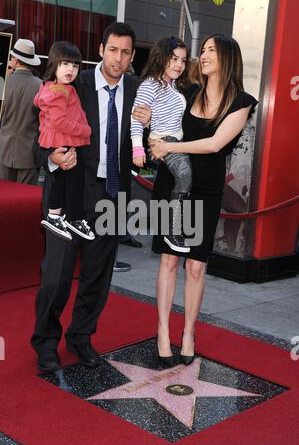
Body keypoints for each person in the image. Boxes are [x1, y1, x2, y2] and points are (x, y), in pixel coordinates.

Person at [31, 22, 151, 372]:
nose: (118, 58)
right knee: (57, 274)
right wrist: (51, 158)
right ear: (101, 50)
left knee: (98, 275)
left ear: (132, 56)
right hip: (69, 193)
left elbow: (143, 141)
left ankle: (81, 336)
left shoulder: (137, 89)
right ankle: (46, 342)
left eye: (126, 52)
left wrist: (150, 126)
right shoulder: (73, 82)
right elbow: (36, 130)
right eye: (112, 50)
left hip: (112, 194)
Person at [148, 34, 258, 366]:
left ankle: (189, 332)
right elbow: (162, 125)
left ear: (227, 57)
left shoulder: (242, 101)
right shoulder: (185, 92)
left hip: (206, 191)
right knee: (169, 261)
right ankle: (163, 332)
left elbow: (214, 144)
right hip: (173, 185)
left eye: (211, 50)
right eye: (203, 50)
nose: (203, 55)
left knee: (196, 266)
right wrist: (151, 134)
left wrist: (170, 147)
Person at [131, 36, 192, 253]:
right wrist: (137, 148)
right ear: (161, 57)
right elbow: (136, 117)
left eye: (183, 60)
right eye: (174, 58)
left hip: (176, 141)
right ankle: (172, 230)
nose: (179, 65)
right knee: (185, 177)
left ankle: (175, 229)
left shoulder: (173, 85)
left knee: (186, 180)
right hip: (163, 141)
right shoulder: (151, 84)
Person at [34, 41, 94, 241]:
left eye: (75, 65)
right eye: (65, 63)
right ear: (54, 65)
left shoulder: (61, 88)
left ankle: (59, 216)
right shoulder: (60, 90)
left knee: (65, 180)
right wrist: (85, 130)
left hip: (63, 139)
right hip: (64, 140)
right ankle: (66, 217)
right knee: (70, 181)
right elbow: (59, 121)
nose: (71, 69)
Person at [0, 39, 41, 184]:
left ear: (16, 60)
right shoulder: (40, 86)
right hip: (29, 155)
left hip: (3, 151)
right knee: (26, 203)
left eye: (11, 57)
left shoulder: (3, 83)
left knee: (4, 201)